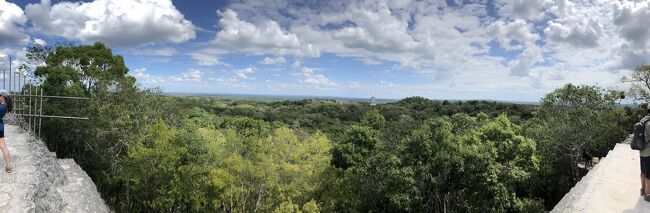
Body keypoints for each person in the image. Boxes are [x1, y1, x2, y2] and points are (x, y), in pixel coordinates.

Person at [0, 90, 13, 173]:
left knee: (3, 146)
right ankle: (9, 166)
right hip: (0, 127)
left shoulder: (1, 107)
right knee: (3, 146)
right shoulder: (4, 106)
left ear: (2, 97)